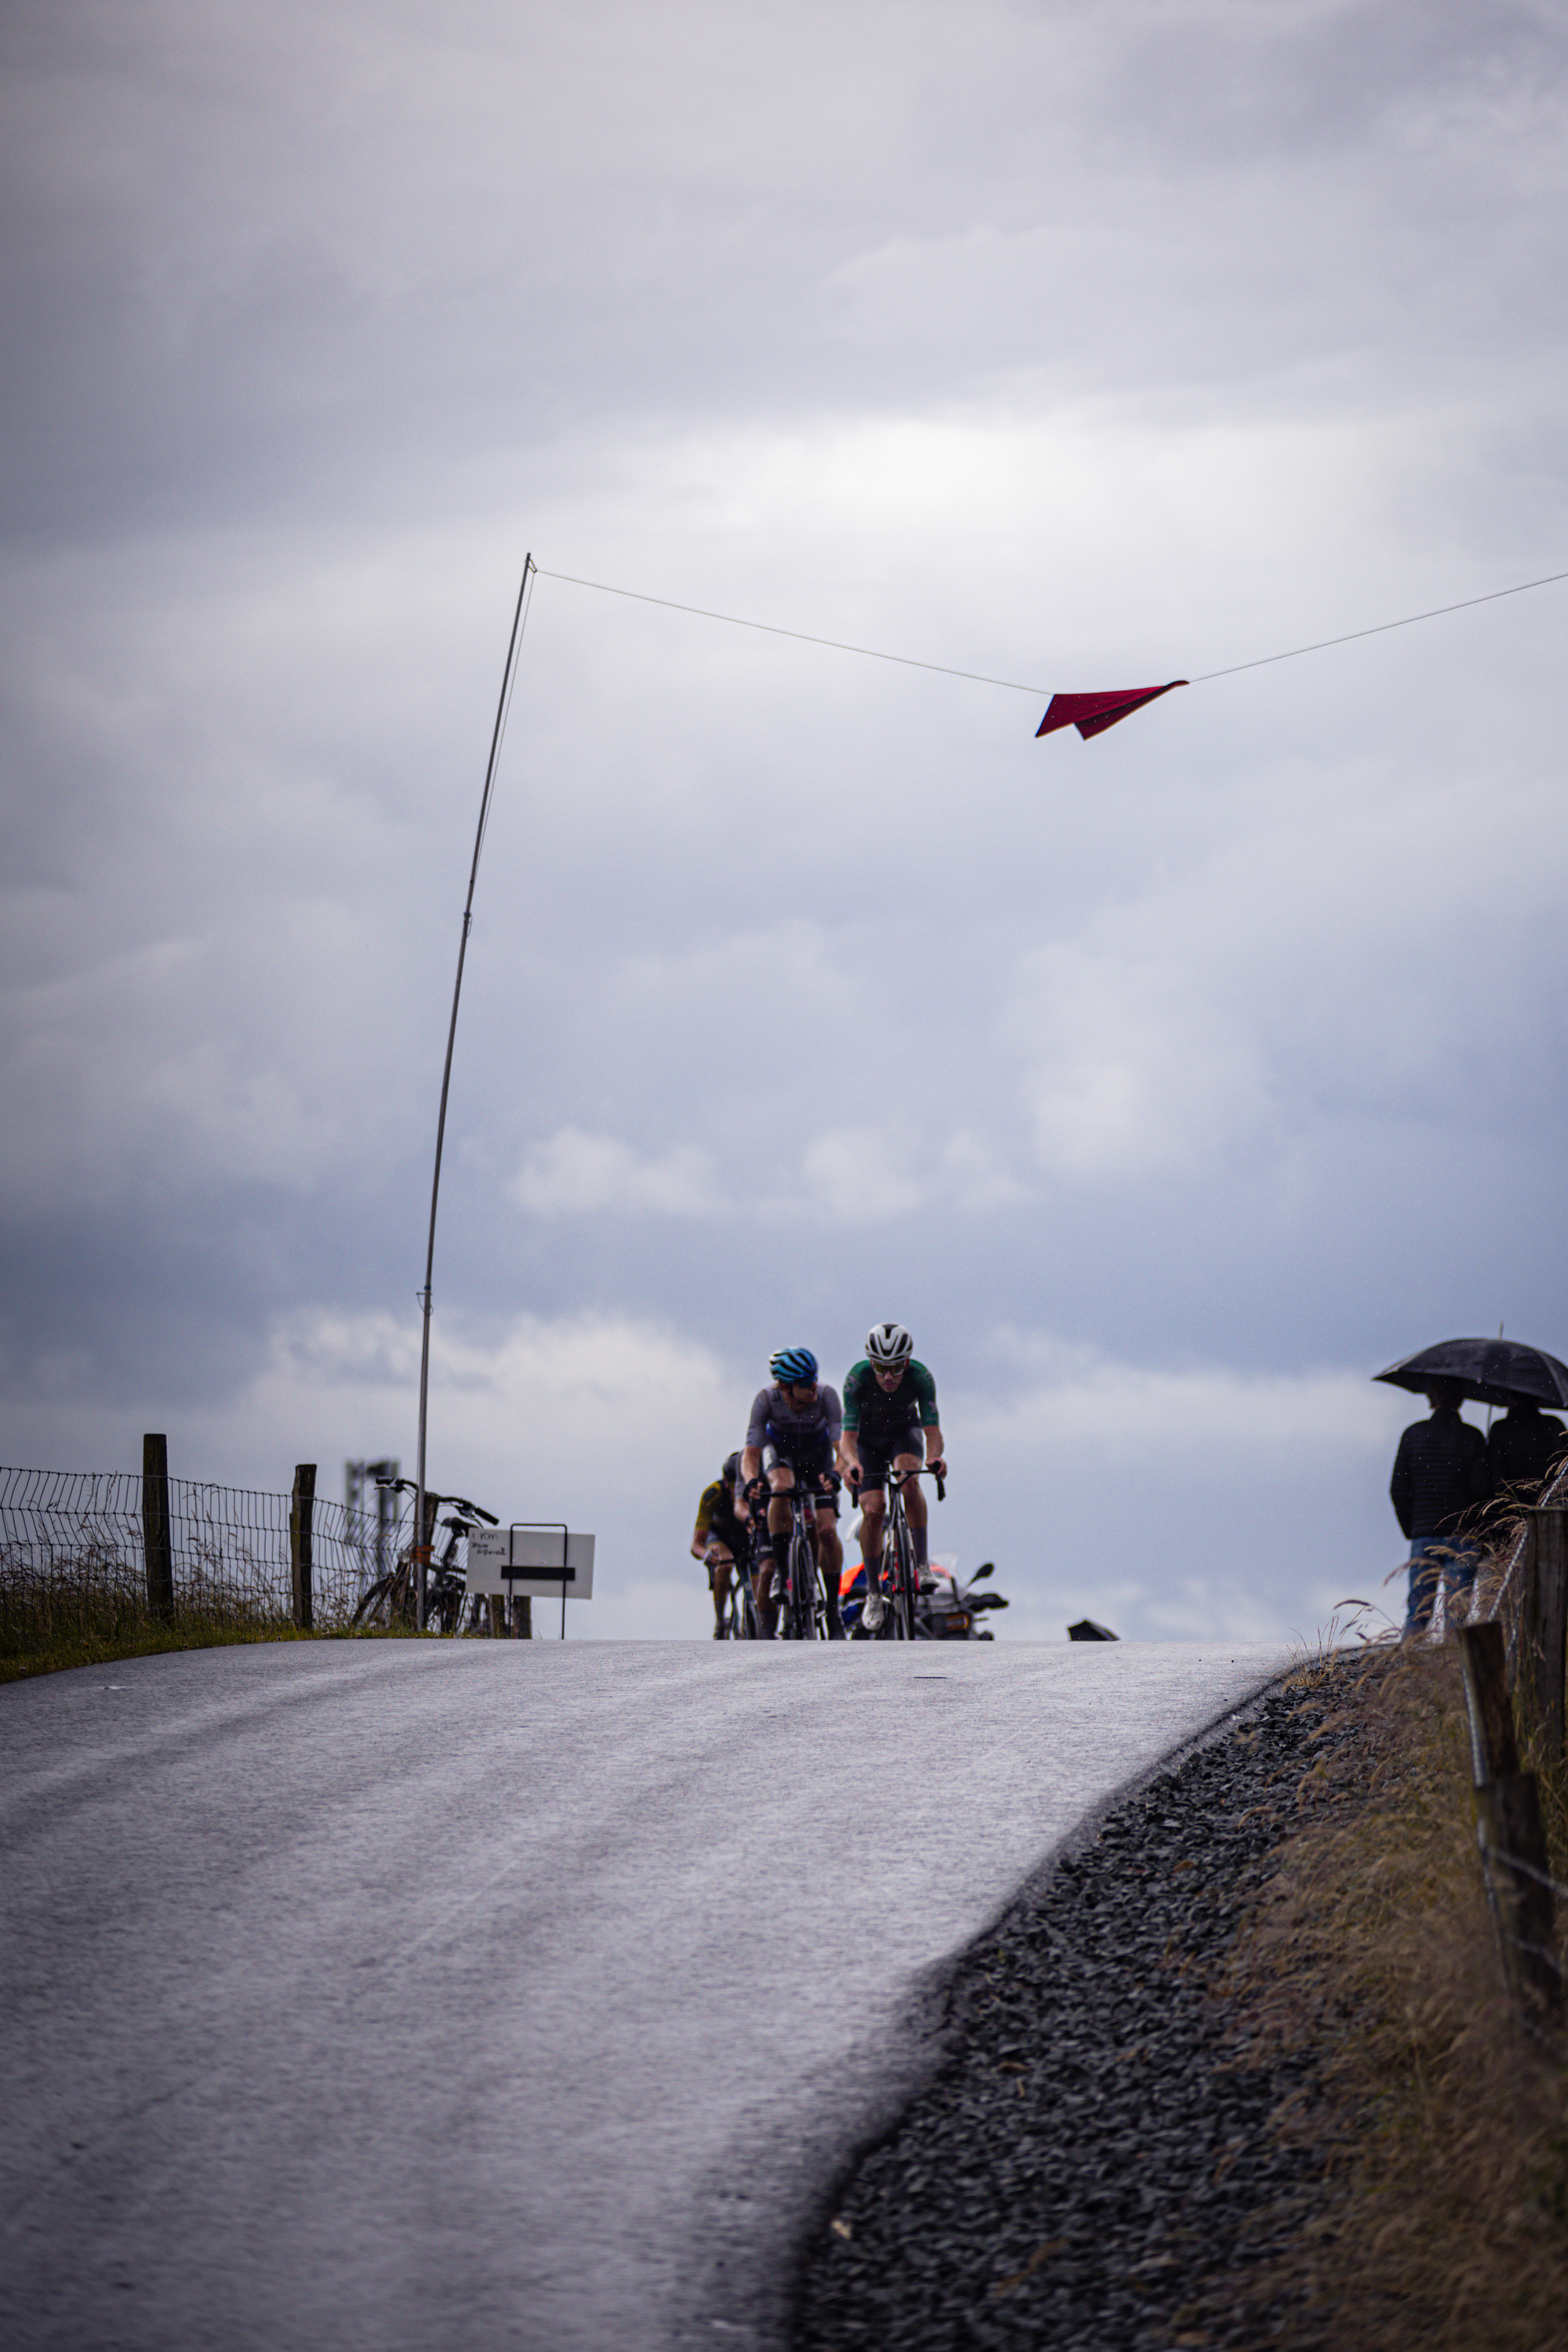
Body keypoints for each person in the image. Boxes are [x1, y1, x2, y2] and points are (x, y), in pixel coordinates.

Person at [838, 1323, 946, 1635]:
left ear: (907, 1363)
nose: (888, 1376)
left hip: (903, 1433)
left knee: (909, 1478)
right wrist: (853, 1463)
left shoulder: (921, 1378)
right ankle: (874, 1593)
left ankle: (921, 1564)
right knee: (873, 1510)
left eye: (896, 1367)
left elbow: (933, 1432)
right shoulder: (857, 1380)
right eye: (881, 1368)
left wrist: (935, 1458)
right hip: (867, 1442)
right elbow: (847, 1438)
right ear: (871, 1363)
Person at [739, 1348, 845, 1639]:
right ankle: (785, 1576)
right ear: (785, 1387)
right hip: (782, 1454)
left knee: (826, 1530)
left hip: (818, 1456)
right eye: (806, 1382)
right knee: (780, 1488)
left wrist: (836, 1473)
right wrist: (750, 1481)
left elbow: (842, 1448)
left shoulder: (827, 1396)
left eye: (815, 1379)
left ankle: (834, 1608)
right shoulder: (765, 1400)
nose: (814, 1386)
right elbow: (750, 1455)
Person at [1388, 1379, 1492, 1635]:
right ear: (1461, 1398)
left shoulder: (1412, 1435)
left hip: (1423, 1532)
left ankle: (1406, 1667)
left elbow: (1398, 1489)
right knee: (1457, 1612)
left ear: (1431, 1396)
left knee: (1418, 1610)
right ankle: (1454, 1670)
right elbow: (1482, 1490)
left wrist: (1413, 1528)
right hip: (1463, 1534)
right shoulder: (1473, 1436)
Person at [689, 1451, 749, 1638]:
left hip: (746, 1538)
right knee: (725, 1563)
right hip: (719, 1537)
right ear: (726, 1484)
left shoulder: (757, 1489)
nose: (738, 1494)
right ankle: (721, 1620)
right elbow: (696, 1545)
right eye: (734, 1488)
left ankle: (755, 1621)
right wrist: (706, 1554)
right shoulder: (712, 1494)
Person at [1487, 1396, 1568, 1503]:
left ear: (1511, 1396)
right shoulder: (1554, 1425)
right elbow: (1565, 1466)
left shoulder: (1500, 1429)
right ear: (1539, 1398)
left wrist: (1499, 1504)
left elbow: (1496, 1474)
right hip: (1550, 1502)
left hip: (1512, 1504)